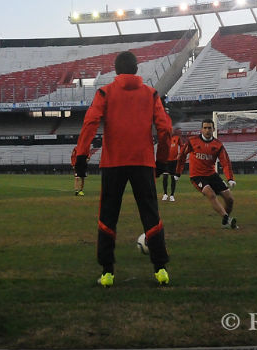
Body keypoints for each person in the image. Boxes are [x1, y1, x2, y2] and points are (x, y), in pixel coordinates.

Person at [74, 51, 173, 287]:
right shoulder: (151, 94)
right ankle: (160, 270)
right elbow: (165, 129)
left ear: (116, 70)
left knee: (108, 215)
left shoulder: (105, 92)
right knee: (151, 214)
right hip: (143, 162)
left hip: (113, 163)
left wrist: (81, 155)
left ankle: (107, 273)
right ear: (137, 69)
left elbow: (90, 122)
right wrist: (161, 160)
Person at [175, 119, 238, 229]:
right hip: (197, 176)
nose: (207, 130)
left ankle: (225, 221)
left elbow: (225, 162)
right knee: (211, 194)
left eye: (209, 128)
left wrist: (230, 178)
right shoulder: (192, 141)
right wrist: (178, 173)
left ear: (213, 129)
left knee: (230, 199)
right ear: (201, 129)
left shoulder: (218, 145)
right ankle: (227, 219)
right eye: (205, 128)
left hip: (212, 175)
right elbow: (182, 156)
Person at [161, 128, 182, 202]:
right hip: (166, 161)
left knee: (173, 178)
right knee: (165, 177)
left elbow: (182, 146)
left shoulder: (177, 138)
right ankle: (165, 194)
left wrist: (180, 154)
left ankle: (172, 195)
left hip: (174, 161)